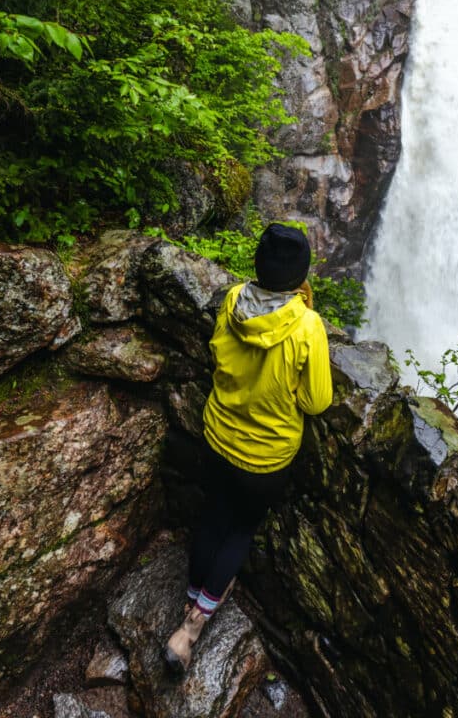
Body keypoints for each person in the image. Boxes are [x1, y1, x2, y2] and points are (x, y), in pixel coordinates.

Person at [164, 222, 333, 674]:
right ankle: (191, 628)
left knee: (214, 516)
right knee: (240, 530)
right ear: (300, 277)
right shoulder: (307, 325)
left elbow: (218, 354)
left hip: (218, 437)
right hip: (264, 458)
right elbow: (317, 401)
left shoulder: (234, 299)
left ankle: (193, 594)